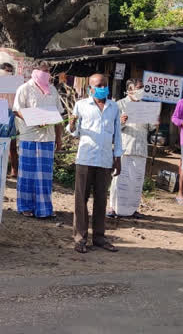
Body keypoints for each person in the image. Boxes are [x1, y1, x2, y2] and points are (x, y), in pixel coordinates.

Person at [69, 74, 122, 253]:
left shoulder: (114, 107)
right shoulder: (81, 105)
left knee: (101, 200)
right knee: (81, 200)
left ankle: (99, 237)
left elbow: (118, 135)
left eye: (105, 85)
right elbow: (74, 132)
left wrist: (118, 158)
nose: (103, 88)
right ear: (90, 88)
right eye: (99, 85)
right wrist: (71, 124)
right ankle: (80, 238)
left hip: (105, 159)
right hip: (85, 158)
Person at [13, 61, 64, 218]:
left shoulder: (53, 90)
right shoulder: (25, 88)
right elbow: (17, 110)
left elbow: (59, 115)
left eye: (48, 71)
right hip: (29, 136)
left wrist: (59, 138)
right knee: (27, 173)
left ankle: (44, 208)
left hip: (48, 138)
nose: (46, 74)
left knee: (45, 174)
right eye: (43, 71)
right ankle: (25, 206)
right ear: (35, 72)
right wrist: (34, 119)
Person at [109, 78, 157, 219]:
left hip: (141, 148)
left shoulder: (145, 106)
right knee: (119, 179)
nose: (141, 90)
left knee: (137, 180)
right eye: (139, 87)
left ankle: (132, 209)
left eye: (142, 87)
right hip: (124, 147)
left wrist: (155, 122)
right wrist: (121, 122)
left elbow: (150, 128)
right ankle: (113, 207)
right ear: (130, 90)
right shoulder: (119, 105)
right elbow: (111, 127)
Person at [0, 63, 19, 177]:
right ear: (1, 71)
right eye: (7, 70)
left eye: (11, 70)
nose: (9, 72)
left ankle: (14, 171)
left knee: (12, 143)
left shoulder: (16, 83)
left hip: (11, 113)